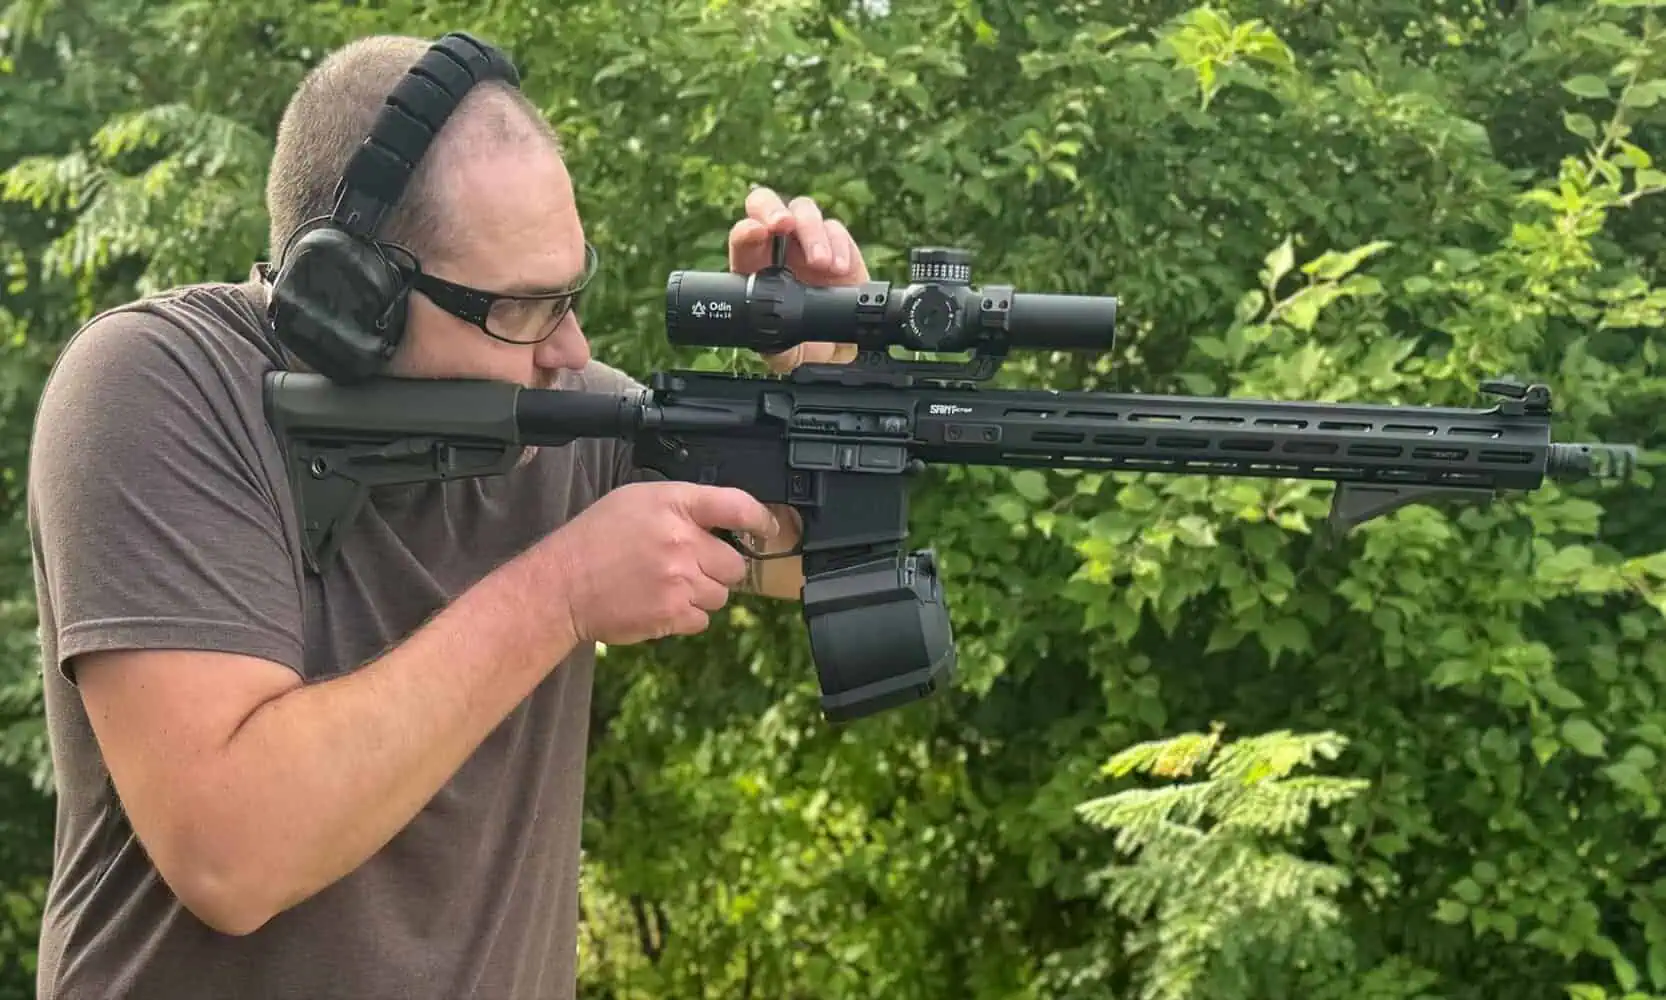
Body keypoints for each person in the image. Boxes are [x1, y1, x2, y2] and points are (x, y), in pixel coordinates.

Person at [26, 31, 866, 1000]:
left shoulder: (561, 414)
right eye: (524, 308)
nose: (569, 348)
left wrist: (827, 392)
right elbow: (233, 852)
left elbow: (804, 556)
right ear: (347, 298)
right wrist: (559, 595)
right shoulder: (159, 385)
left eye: (570, 294)